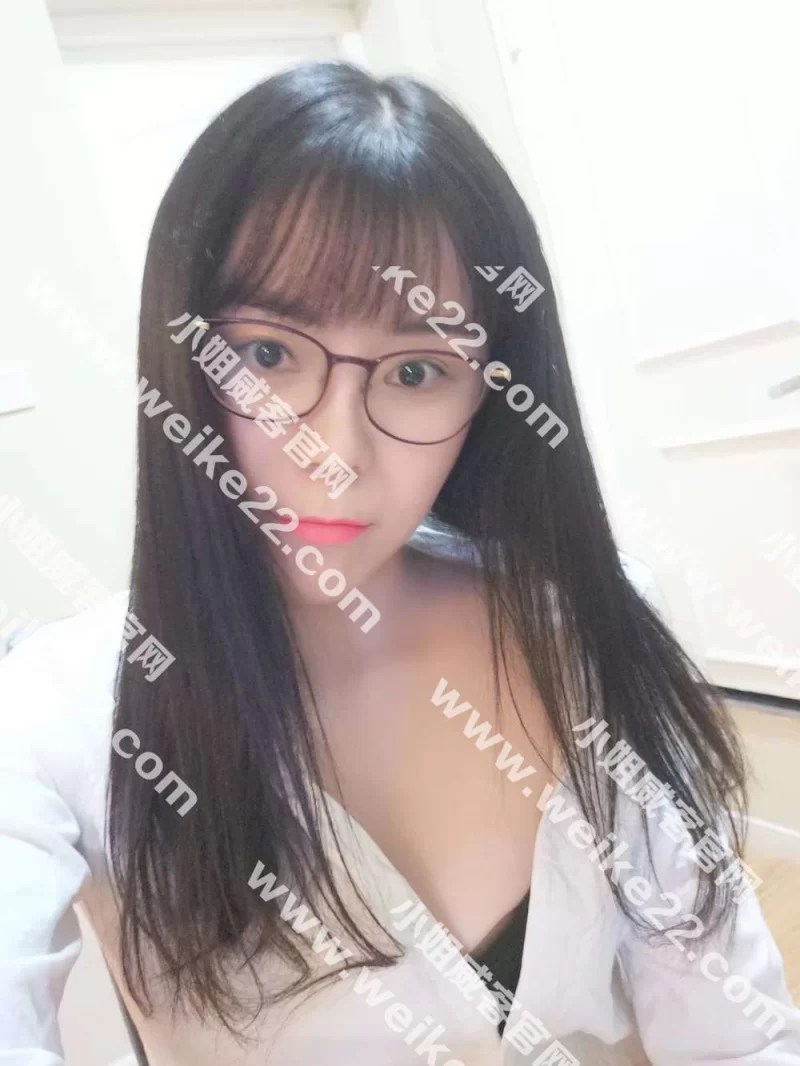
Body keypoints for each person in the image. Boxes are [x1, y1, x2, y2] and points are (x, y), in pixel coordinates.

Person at [0, 61, 798, 1066]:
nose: (334, 452)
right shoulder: (59, 711)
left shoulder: (584, 623)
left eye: (417, 370)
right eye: (267, 355)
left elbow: (735, 1032)